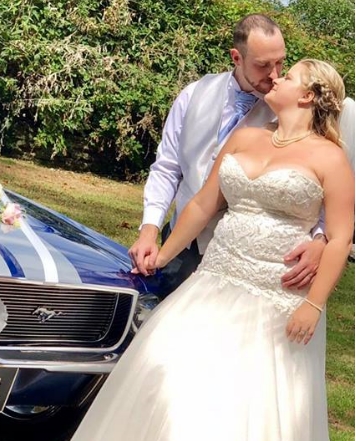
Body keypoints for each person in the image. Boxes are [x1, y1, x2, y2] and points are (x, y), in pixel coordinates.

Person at [70, 59, 354, 441]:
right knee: (169, 369)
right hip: (214, 280)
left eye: (287, 76)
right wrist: (163, 255)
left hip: (276, 297)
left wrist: (314, 304)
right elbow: (205, 204)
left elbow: (338, 237)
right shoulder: (245, 136)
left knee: (239, 402)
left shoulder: (330, 158)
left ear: (307, 95)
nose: (276, 78)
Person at [129, 14, 327, 294]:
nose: (274, 75)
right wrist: (149, 227)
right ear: (237, 57)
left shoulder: (288, 109)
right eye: (262, 65)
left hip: (248, 260)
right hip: (180, 244)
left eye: (280, 62)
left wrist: (321, 238)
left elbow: (321, 184)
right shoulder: (193, 94)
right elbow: (168, 168)